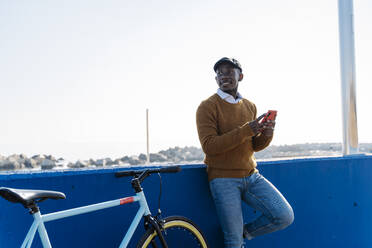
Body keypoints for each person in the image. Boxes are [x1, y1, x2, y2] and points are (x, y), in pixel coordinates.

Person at [196, 57, 294, 248]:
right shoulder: (207, 106)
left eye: (229, 71)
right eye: (219, 73)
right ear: (216, 79)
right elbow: (210, 146)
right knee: (233, 242)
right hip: (223, 179)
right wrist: (247, 129)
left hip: (251, 176)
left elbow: (254, 146)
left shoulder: (249, 106)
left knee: (284, 215)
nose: (224, 76)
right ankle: (235, 235)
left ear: (240, 76)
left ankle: (244, 232)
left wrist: (267, 132)